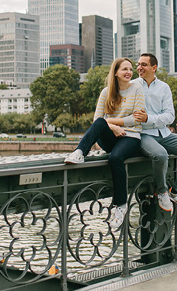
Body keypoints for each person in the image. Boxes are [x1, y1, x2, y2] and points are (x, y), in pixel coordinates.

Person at [63, 57, 145, 227]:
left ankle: (121, 206)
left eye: (130, 69)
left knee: (115, 158)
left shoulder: (137, 88)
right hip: (111, 136)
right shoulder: (106, 92)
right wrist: (113, 128)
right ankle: (79, 152)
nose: (129, 72)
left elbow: (136, 120)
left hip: (131, 137)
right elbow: (97, 120)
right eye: (124, 69)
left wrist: (113, 122)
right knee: (100, 123)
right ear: (115, 72)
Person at [133, 53, 177, 212]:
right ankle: (162, 191)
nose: (139, 68)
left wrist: (148, 118)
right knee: (161, 155)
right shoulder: (132, 85)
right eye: (138, 64)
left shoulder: (164, 87)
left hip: (164, 133)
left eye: (143, 65)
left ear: (154, 67)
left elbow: (170, 116)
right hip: (144, 135)